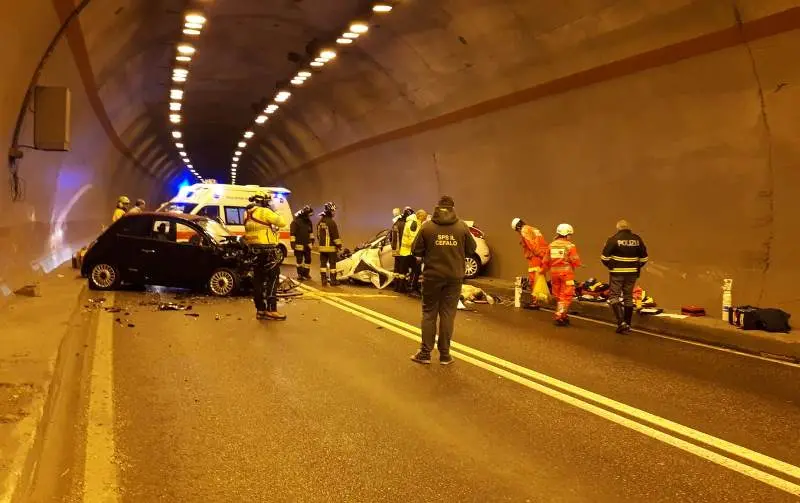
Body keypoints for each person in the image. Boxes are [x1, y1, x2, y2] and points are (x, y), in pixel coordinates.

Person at [410, 196, 476, 365]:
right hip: (454, 277)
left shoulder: (427, 227)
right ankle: (445, 355)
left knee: (429, 313)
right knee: (448, 314)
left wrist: (430, 254)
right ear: (453, 208)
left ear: (437, 207)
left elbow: (416, 250)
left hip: (432, 276)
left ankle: (425, 353)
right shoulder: (462, 227)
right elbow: (472, 249)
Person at [244, 192, 287, 321]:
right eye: (268, 201)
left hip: (253, 250)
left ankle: (260, 310)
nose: (269, 203)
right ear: (263, 201)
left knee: (257, 280)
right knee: (273, 278)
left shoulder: (247, 213)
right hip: (267, 250)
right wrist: (275, 210)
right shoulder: (264, 212)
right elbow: (282, 222)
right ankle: (272, 310)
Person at [601, 219, 649, 333]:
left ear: (618, 228)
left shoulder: (613, 239)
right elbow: (644, 258)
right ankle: (628, 324)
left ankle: (621, 322)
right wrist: (636, 266)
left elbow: (604, 258)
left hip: (617, 272)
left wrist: (612, 266)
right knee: (628, 297)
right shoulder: (637, 239)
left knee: (614, 296)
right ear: (629, 228)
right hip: (632, 273)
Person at [542, 223, 582, 326]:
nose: (570, 237)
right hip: (566, 274)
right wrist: (579, 264)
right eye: (570, 234)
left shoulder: (551, 245)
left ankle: (563, 315)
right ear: (567, 234)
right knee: (566, 295)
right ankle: (559, 315)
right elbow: (575, 261)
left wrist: (542, 271)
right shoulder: (570, 246)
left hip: (554, 274)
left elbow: (546, 260)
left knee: (559, 295)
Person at [511, 217, 548, 308]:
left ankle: (535, 302)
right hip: (542, 255)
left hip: (535, 257)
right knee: (539, 278)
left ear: (517, 227)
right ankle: (538, 300)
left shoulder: (525, 230)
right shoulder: (534, 229)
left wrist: (538, 254)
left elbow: (532, 245)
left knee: (534, 279)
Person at [316, 202, 343, 286]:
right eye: (333, 211)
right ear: (330, 211)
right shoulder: (331, 222)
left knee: (323, 264)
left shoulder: (320, 222)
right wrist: (339, 246)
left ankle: (323, 280)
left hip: (322, 248)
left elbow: (318, 235)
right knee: (332, 265)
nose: (334, 212)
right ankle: (333, 281)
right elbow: (335, 237)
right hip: (331, 248)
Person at [390, 207, 413, 292]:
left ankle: (396, 287)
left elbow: (391, 237)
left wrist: (393, 247)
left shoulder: (395, 223)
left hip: (395, 250)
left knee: (397, 270)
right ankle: (402, 288)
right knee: (403, 271)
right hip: (403, 250)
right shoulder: (406, 224)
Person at [290, 205, 315, 280]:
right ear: (305, 214)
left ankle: (306, 273)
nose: (309, 216)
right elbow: (292, 234)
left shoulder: (308, 222)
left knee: (308, 259)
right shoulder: (295, 222)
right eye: (309, 215)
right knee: (299, 260)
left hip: (307, 244)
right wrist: (293, 243)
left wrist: (312, 241)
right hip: (299, 244)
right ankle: (300, 274)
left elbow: (310, 232)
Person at [407, 209, 429, 294]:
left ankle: (414, 287)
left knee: (416, 271)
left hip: (413, 251)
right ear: (420, 216)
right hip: (413, 252)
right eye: (424, 217)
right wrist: (418, 253)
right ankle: (411, 288)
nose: (425, 219)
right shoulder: (414, 223)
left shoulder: (416, 222)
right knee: (415, 271)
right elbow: (415, 239)